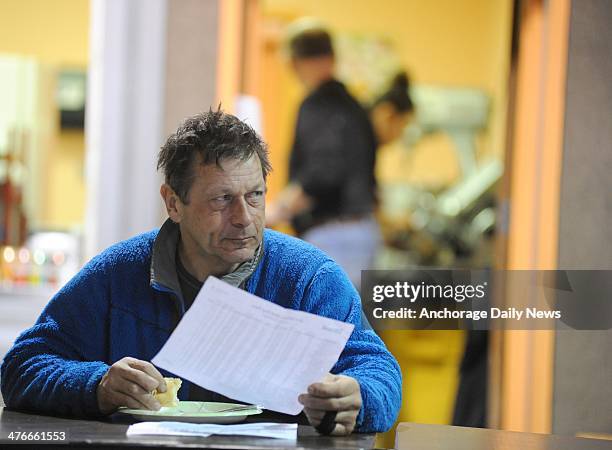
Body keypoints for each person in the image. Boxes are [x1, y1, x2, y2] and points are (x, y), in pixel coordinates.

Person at [0, 110, 401, 436]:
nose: (244, 218)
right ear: (173, 203)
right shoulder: (118, 274)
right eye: (222, 199)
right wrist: (98, 386)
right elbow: (22, 367)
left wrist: (358, 396)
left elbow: (380, 372)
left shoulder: (309, 278)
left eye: (255, 196)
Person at [267, 26, 413, 288]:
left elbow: (323, 171)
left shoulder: (317, 105)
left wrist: (276, 210)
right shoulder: (354, 105)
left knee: (324, 324)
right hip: (362, 231)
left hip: (333, 235)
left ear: (299, 63)